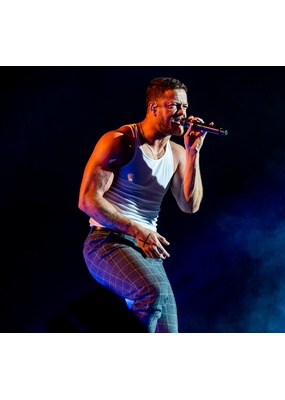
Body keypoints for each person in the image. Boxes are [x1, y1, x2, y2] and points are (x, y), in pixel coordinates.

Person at [78, 77, 210, 333]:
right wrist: (138, 230)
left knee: (167, 331)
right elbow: (87, 200)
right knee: (151, 292)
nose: (182, 113)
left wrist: (193, 153)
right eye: (174, 106)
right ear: (153, 108)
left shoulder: (177, 153)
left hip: (146, 249)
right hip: (107, 243)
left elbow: (190, 206)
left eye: (184, 106)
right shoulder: (121, 140)